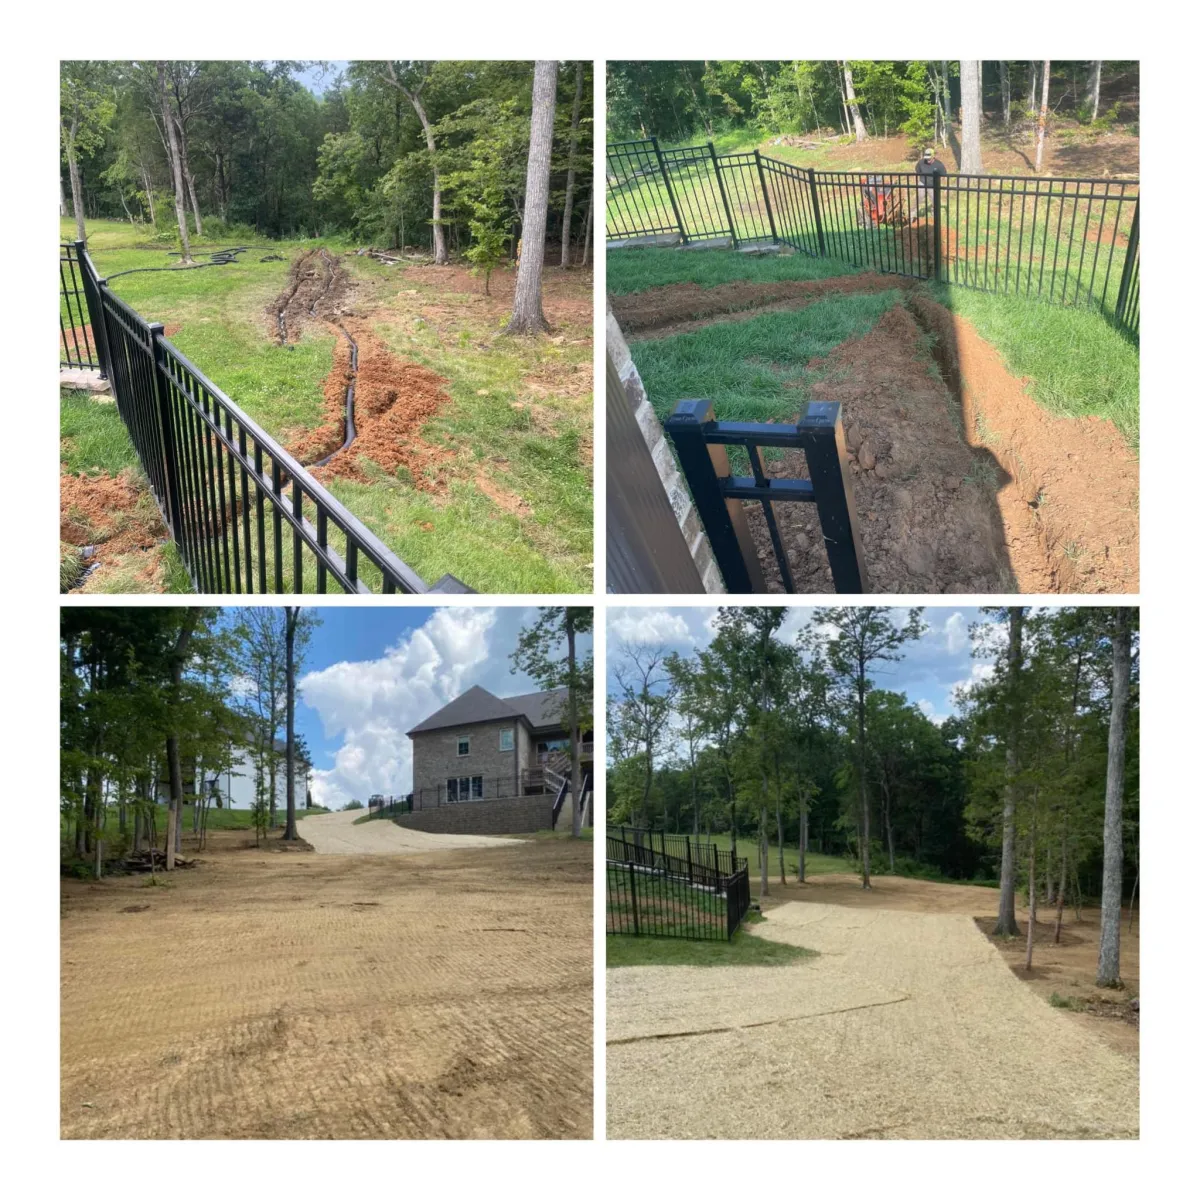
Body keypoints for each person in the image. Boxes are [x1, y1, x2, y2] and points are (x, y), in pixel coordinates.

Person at [914, 148, 948, 219]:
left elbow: (945, 176)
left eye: (929, 159)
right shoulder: (921, 162)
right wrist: (921, 179)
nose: (928, 160)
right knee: (919, 198)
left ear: (933, 156)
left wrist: (946, 188)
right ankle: (912, 214)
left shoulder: (939, 165)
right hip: (922, 183)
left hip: (933, 185)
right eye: (926, 158)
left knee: (934, 200)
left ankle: (934, 215)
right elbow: (917, 170)